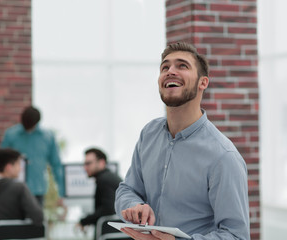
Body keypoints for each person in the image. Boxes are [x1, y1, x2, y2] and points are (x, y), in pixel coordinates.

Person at [114, 42, 250, 240]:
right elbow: (127, 189)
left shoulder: (223, 156)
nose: (170, 71)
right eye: (165, 67)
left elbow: (236, 236)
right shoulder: (148, 134)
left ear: (203, 83)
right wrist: (134, 206)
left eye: (182, 66)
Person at [0, 106, 64, 206]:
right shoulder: (11, 135)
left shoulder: (48, 137)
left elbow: (56, 164)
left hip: (37, 190)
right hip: (14, 190)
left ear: (36, 123)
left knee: (36, 220)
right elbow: (1, 161)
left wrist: (61, 192)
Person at [0, 148, 43, 240]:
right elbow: (38, 217)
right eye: (18, 164)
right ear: (9, 167)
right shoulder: (19, 188)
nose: (20, 168)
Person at [76, 148, 122, 240]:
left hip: (113, 234)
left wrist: (84, 221)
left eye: (88, 163)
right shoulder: (109, 177)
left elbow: (107, 210)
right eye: (84, 164)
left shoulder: (104, 180)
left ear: (101, 162)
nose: (85, 167)